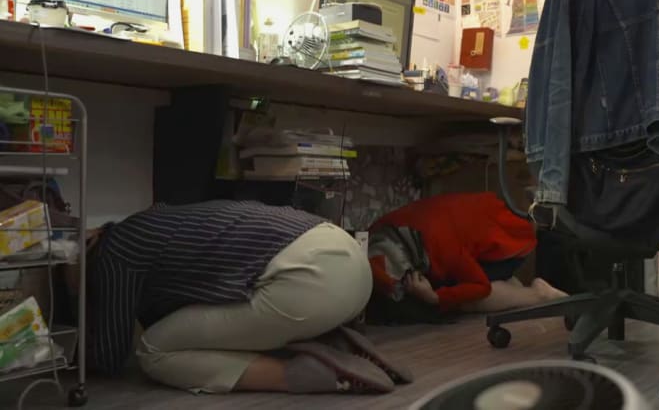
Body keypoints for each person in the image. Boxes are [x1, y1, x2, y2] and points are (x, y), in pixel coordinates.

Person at [82, 200, 410, 394]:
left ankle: (301, 374)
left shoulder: (114, 249)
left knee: (154, 350)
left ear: (88, 243)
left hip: (309, 282)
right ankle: (333, 344)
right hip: (350, 263)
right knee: (225, 324)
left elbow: (110, 358)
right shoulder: (155, 219)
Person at [369, 192, 567, 315]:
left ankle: (537, 294)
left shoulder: (444, 249)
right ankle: (510, 287)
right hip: (490, 221)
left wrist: (435, 297)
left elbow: (480, 287)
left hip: (512, 241)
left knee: (463, 301)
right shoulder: (379, 231)